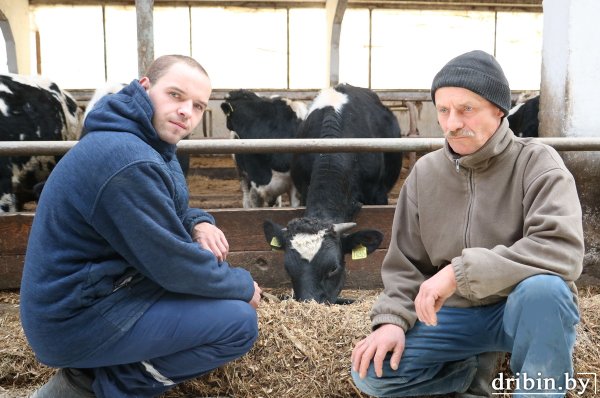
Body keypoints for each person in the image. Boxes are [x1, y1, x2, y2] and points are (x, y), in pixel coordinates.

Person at [20, 54, 262, 397]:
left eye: (197, 106)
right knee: (237, 323)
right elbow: (174, 267)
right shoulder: (126, 159)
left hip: (97, 292)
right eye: (175, 95)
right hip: (75, 318)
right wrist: (242, 285)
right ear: (144, 86)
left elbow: (166, 208)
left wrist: (197, 222)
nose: (186, 112)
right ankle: (95, 387)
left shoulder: (147, 142)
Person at [351, 50, 584, 397]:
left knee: (546, 292)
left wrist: (457, 273)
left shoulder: (537, 163)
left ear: (499, 110)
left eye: (466, 109)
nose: (452, 123)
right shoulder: (425, 174)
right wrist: (392, 321)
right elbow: (406, 264)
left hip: (516, 308)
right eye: (443, 110)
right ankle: (470, 371)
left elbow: (560, 249)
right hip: (455, 315)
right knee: (373, 375)